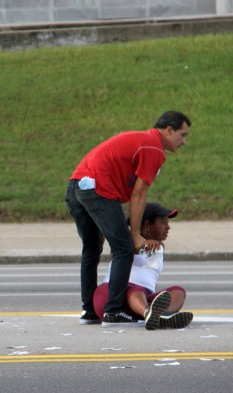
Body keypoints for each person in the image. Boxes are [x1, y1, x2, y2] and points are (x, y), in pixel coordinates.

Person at [65, 111, 191, 326]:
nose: (184, 142)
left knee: (91, 250)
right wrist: (135, 235)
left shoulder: (141, 140)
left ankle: (89, 311)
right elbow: (139, 194)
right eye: (182, 134)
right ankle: (113, 312)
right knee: (124, 248)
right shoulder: (153, 148)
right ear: (168, 130)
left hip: (77, 185)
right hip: (99, 189)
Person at [93, 202, 194, 330]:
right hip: (109, 296)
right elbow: (129, 248)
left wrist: (148, 245)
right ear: (147, 225)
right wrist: (141, 244)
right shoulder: (126, 241)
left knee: (178, 291)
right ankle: (148, 313)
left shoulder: (159, 246)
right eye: (163, 222)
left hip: (137, 304)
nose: (168, 227)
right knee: (135, 290)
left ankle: (163, 315)